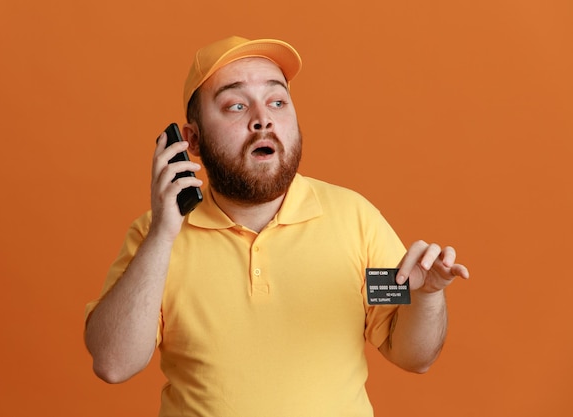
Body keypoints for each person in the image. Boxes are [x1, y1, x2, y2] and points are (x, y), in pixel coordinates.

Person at [84, 35, 470, 416]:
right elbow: (113, 364)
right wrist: (162, 236)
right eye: (236, 105)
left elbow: (413, 355)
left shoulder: (355, 219)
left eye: (277, 101)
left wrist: (428, 295)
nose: (262, 118)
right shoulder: (154, 236)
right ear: (192, 141)